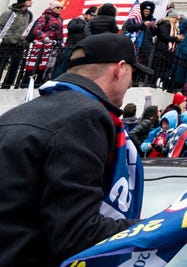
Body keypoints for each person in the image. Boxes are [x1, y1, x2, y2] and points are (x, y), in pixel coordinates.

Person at [0, 32, 150, 265]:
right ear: (120, 69)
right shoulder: (86, 116)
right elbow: (76, 233)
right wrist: (157, 228)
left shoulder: (15, 113)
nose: (131, 82)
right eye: (133, 73)